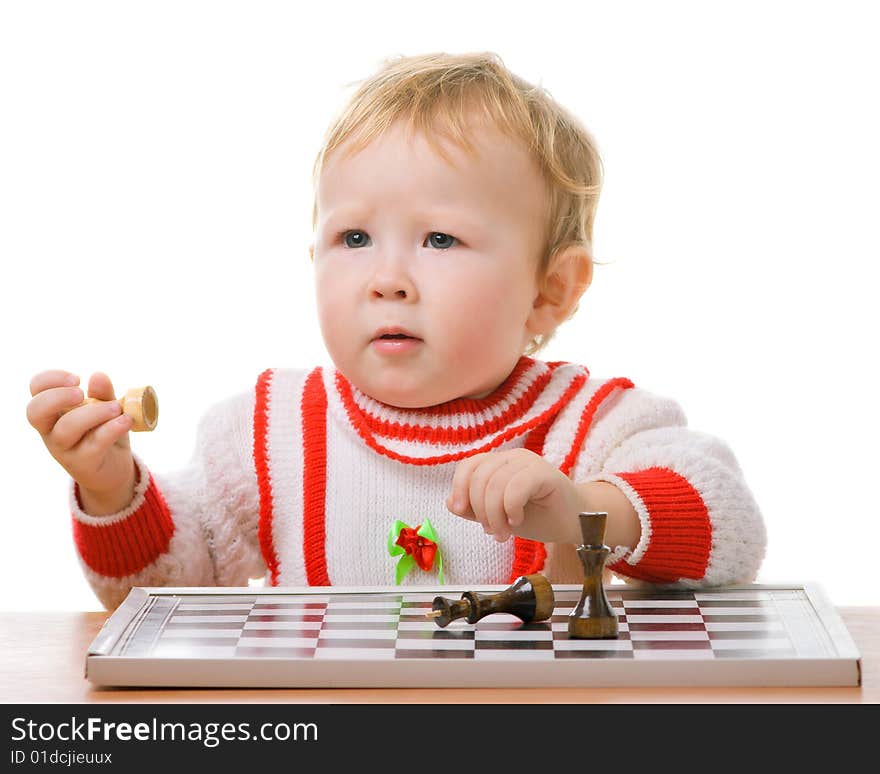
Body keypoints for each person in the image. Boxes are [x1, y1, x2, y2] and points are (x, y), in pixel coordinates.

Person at [26, 52, 765, 611]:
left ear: (549, 291)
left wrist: (588, 509)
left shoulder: (596, 425)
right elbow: (159, 590)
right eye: (353, 238)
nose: (387, 278)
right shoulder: (267, 434)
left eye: (440, 240)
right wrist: (111, 488)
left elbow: (732, 528)